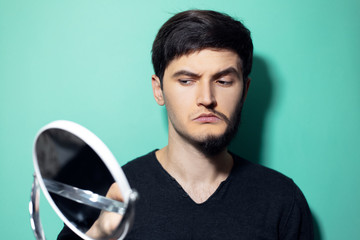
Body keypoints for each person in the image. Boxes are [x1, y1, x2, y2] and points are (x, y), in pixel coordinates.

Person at [58, 9, 314, 240]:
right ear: (158, 90)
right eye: (186, 81)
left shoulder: (281, 199)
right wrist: (97, 236)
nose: (207, 99)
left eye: (224, 81)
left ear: (245, 91)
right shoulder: (109, 194)